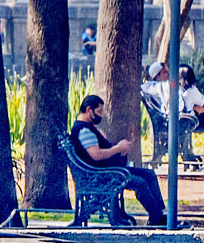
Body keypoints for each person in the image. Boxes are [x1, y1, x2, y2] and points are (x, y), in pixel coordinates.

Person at [71, 94, 166, 225]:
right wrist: (117, 148)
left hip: (110, 171)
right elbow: (96, 155)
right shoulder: (84, 131)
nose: (102, 115)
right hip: (103, 175)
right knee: (139, 182)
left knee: (148, 174)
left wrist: (119, 150)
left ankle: (159, 214)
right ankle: (158, 218)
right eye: (99, 111)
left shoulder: (88, 129)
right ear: (89, 110)